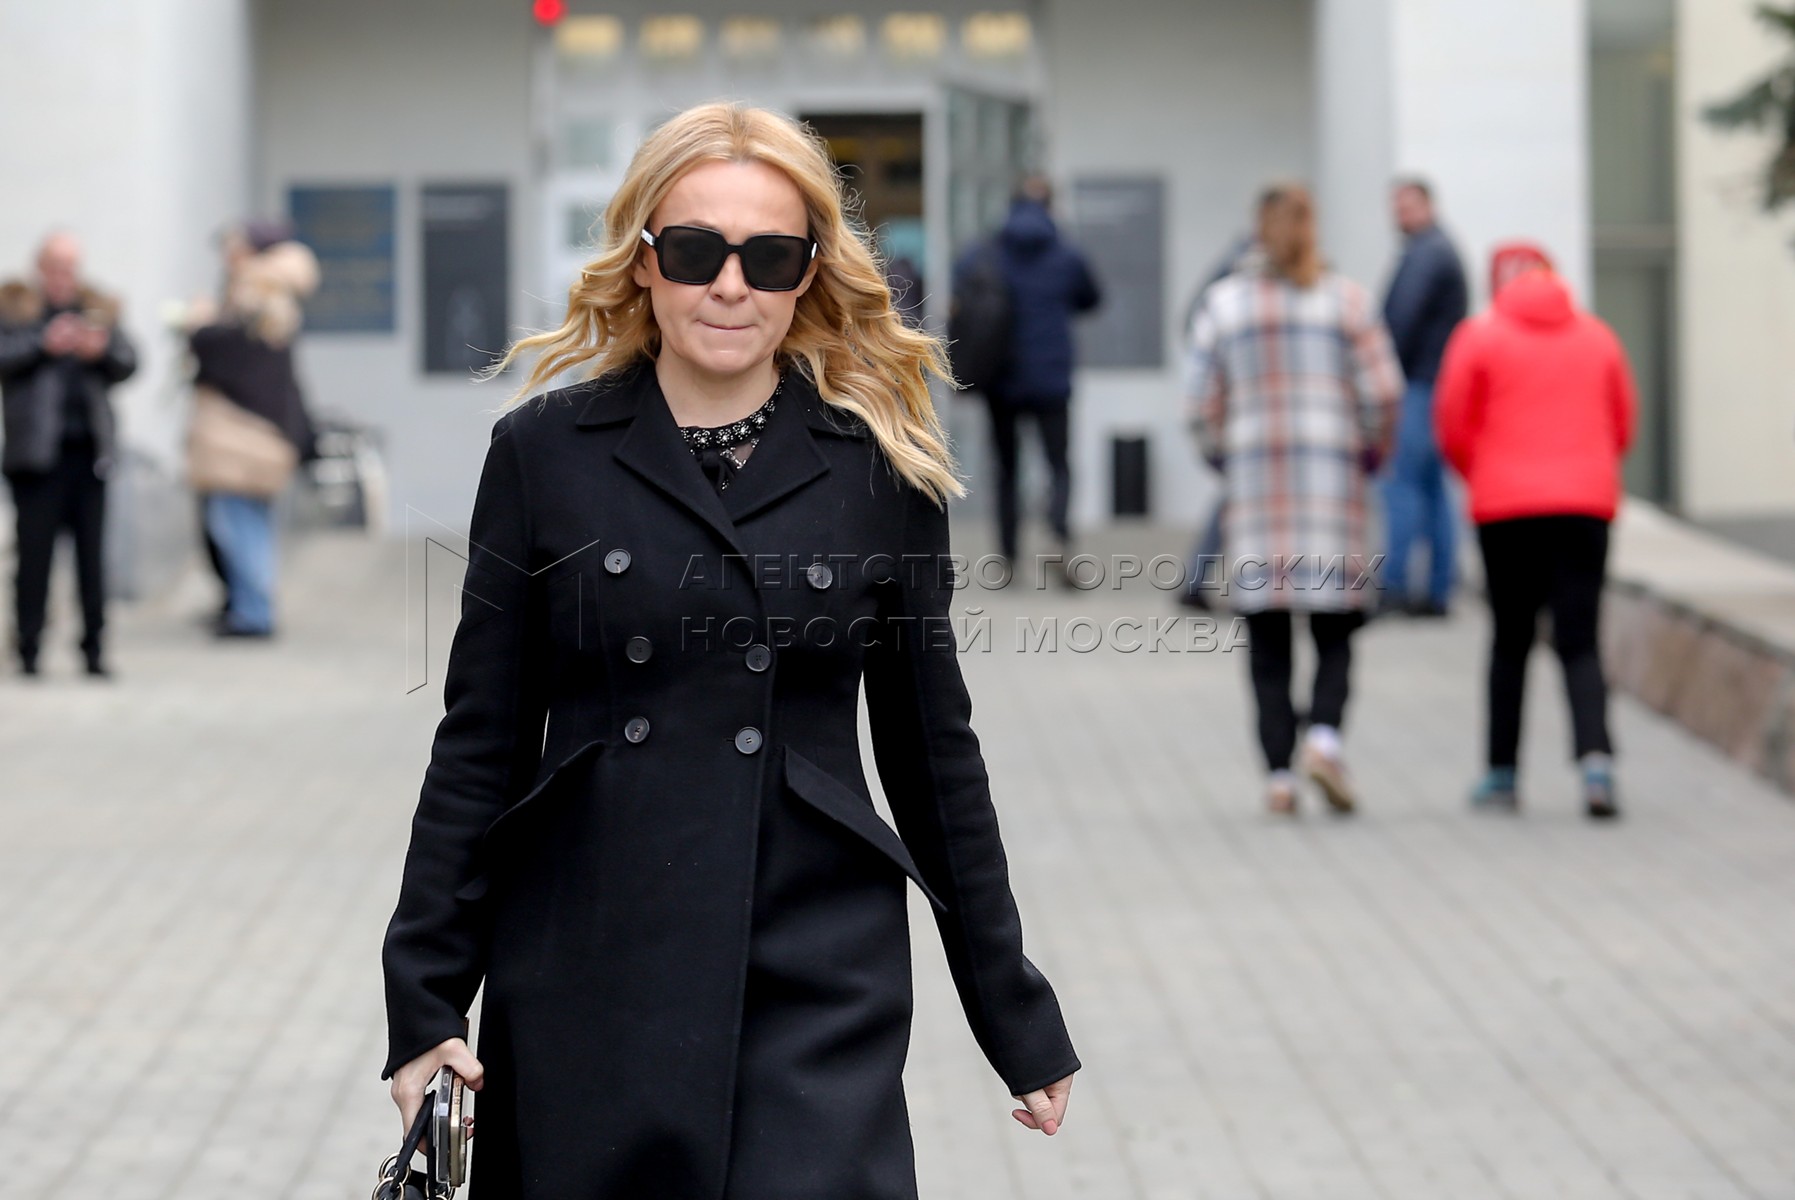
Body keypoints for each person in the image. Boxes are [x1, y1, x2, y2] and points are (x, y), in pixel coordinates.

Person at [381, 103, 1078, 1200]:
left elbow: (932, 755)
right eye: (697, 251)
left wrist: (1010, 1005)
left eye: (771, 257)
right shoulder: (543, 455)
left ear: (810, 275)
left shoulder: (880, 471)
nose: (730, 285)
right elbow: (480, 745)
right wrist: (424, 1002)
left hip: (816, 964)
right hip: (588, 954)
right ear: (643, 260)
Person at [1188, 184, 1402, 815]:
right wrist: (1370, 450)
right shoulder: (1348, 301)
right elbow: (1384, 393)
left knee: (1268, 639)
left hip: (1257, 490)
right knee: (1336, 628)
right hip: (1332, 487)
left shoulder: (1225, 305)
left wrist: (1224, 455)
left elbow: (1198, 403)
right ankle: (1325, 740)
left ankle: (1280, 775)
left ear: (1258, 229)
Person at [1435, 242, 1635, 819]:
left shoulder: (1478, 337)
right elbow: (1622, 422)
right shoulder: (1598, 337)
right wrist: (1588, 473)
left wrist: (1483, 475)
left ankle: (1502, 774)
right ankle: (1596, 766)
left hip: (1505, 509)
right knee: (1580, 639)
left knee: (1510, 639)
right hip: (1585, 507)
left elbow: (1452, 424)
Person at [0, 233, 137, 678]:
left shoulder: (96, 309)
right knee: (33, 560)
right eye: (56, 267)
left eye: (70, 267)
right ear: (40, 268)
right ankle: (29, 650)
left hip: (89, 454)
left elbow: (129, 361)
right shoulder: (16, 310)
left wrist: (100, 350)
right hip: (35, 457)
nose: (64, 276)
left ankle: (94, 650)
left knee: (91, 561)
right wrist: (44, 344)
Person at [957, 175, 1100, 573]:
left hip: (1001, 378)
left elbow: (960, 288)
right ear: (1050, 206)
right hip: (1051, 378)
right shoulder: (1066, 254)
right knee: (1058, 463)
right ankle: (1057, 532)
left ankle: (1008, 553)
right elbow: (1091, 297)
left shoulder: (985, 252)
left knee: (1007, 468)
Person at [185, 224, 320, 638]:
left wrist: (198, 325)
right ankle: (251, 608)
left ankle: (253, 613)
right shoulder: (274, 290)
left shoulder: (256, 291)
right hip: (260, 431)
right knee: (248, 525)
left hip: (244, 432)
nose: (227, 256)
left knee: (239, 527)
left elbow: (225, 349)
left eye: (235, 247)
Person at [1379, 177, 1468, 617]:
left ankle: (1395, 584)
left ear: (1429, 205)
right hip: (1435, 385)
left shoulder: (1426, 254)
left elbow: (1400, 321)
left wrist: (1378, 373)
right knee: (1433, 490)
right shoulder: (1435, 249)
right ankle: (1437, 589)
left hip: (1418, 386)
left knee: (1402, 484)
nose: (1401, 215)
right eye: (1397, 207)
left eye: (1408, 206)